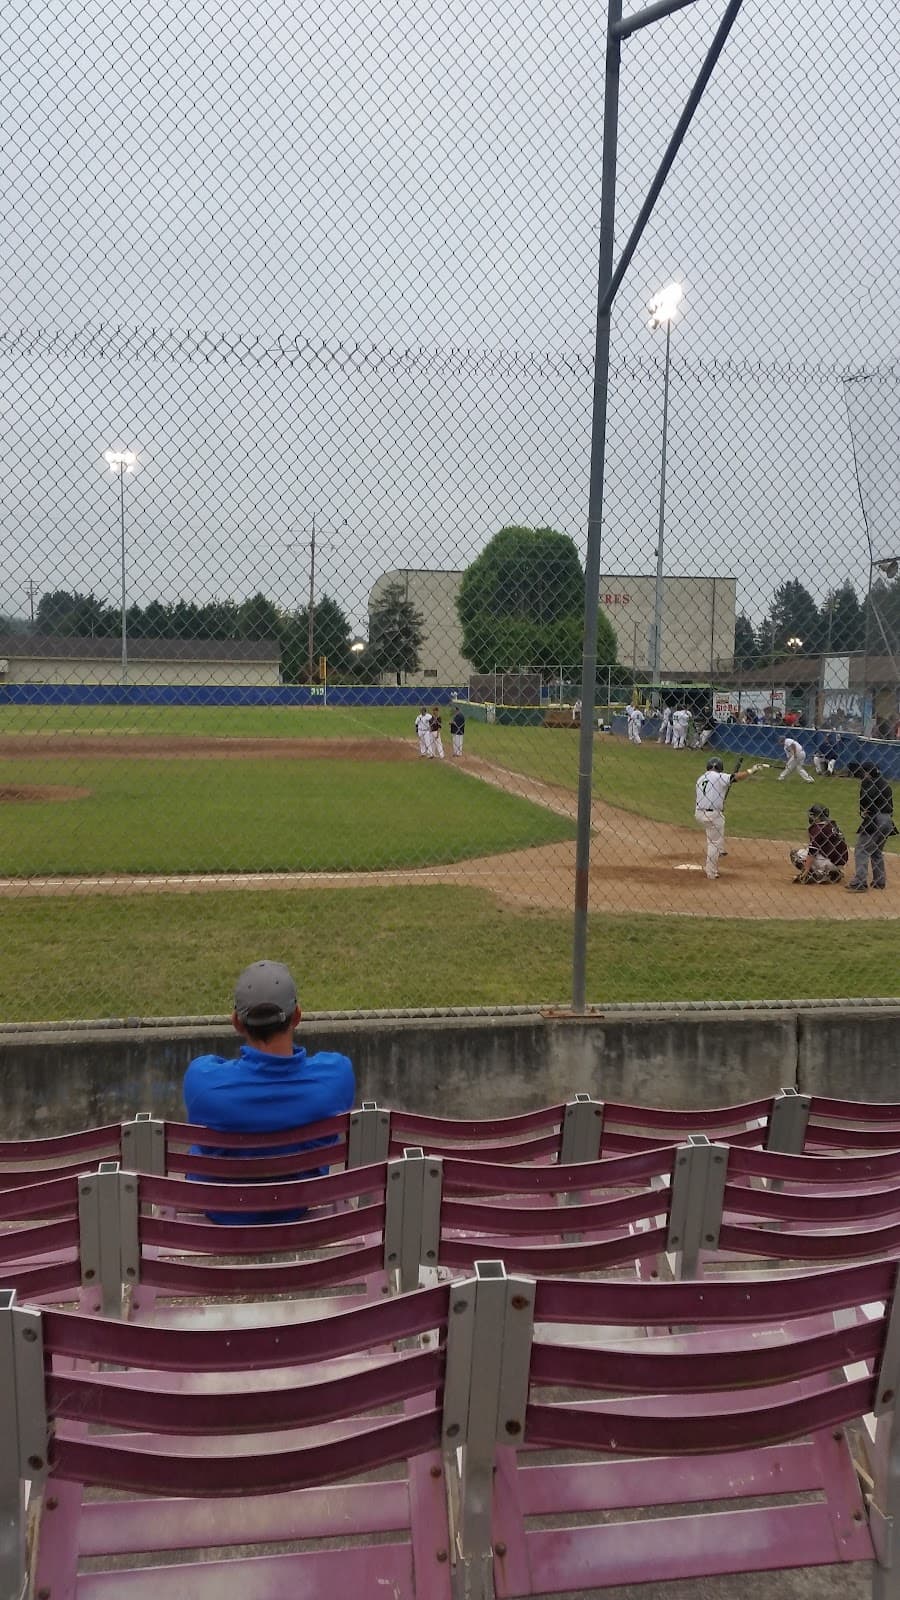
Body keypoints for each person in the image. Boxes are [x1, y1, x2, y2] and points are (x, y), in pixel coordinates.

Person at [183, 960, 355, 1223]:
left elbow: (207, 1065)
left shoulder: (202, 1084)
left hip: (221, 1217)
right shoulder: (336, 1078)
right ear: (297, 1016)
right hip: (296, 1210)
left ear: (237, 1023)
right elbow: (330, 1064)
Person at [694, 756, 753, 880]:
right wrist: (751, 770)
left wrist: (719, 803)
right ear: (720, 768)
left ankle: (719, 849)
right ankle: (711, 872)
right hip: (712, 815)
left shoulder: (701, 778)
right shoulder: (718, 777)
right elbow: (736, 777)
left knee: (719, 821)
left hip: (700, 813)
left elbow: (709, 794)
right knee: (713, 843)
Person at [845, 762, 896, 893]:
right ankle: (879, 881)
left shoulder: (869, 783)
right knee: (876, 851)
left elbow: (865, 801)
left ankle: (860, 882)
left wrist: (865, 810)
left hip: (875, 820)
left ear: (868, 772)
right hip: (888, 821)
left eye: (864, 772)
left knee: (861, 850)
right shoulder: (885, 783)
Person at [790, 804, 849, 884]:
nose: (811, 817)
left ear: (818, 817)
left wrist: (806, 869)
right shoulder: (832, 824)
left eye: (812, 815)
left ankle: (811, 875)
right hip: (841, 861)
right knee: (812, 849)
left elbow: (812, 852)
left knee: (795, 854)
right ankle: (833, 873)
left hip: (829, 862)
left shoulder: (817, 828)